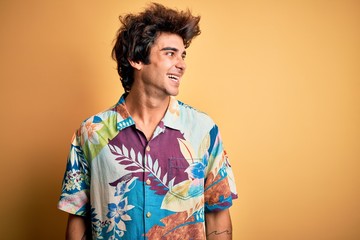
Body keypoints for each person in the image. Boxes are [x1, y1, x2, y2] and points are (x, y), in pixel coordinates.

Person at [58, 3, 237, 239]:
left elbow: (217, 214)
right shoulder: (91, 133)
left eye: (183, 55)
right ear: (136, 59)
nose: (182, 64)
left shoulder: (204, 130)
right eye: (170, 53)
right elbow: (78, 217)